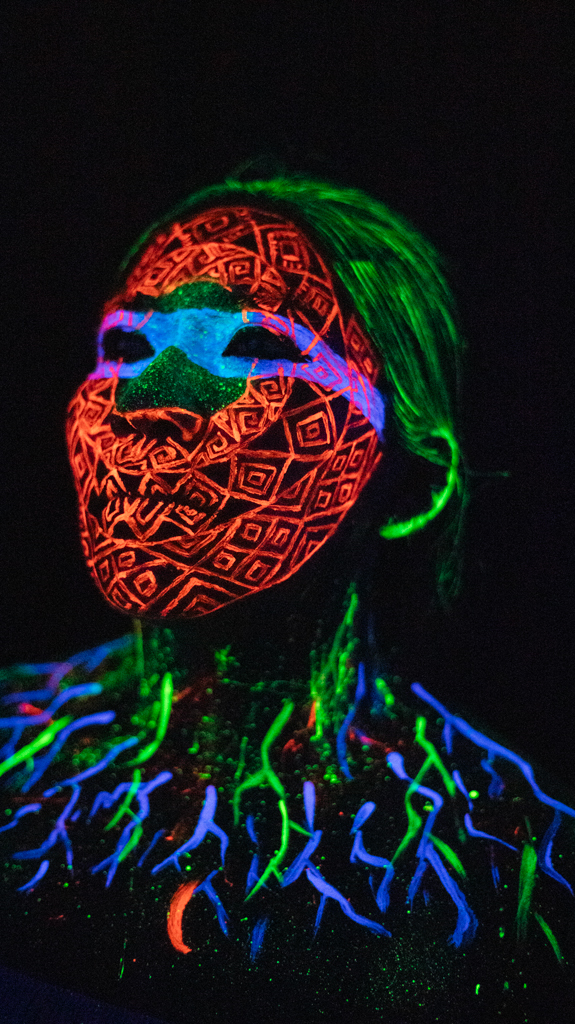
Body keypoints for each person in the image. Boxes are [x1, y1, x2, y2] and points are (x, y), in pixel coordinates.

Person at [1, 178, 572, 1024]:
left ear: (412, 484)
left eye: (256, 345)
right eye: (125, 344)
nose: (145, 401)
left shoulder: (507, 864)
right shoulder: (12, 750)